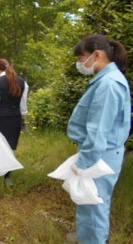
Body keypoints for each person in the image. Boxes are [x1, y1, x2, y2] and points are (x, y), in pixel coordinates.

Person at [67, 34, 130, 243]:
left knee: (95, 206)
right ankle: (86, 238)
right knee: (88, 203)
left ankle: (93, 239)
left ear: (97, 55)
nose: (79, 63)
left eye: (81, 57)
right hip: (99, 153)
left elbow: (98, 130)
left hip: (100, 156)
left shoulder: (109, 84)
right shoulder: (105, 80)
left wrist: (84, 162)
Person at [0, 59, 27, 186]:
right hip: (15, 118)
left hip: (0, 118)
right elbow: (23, 104)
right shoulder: (22, 82)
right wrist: (23, 119)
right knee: (8, 148)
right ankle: (7, 176)